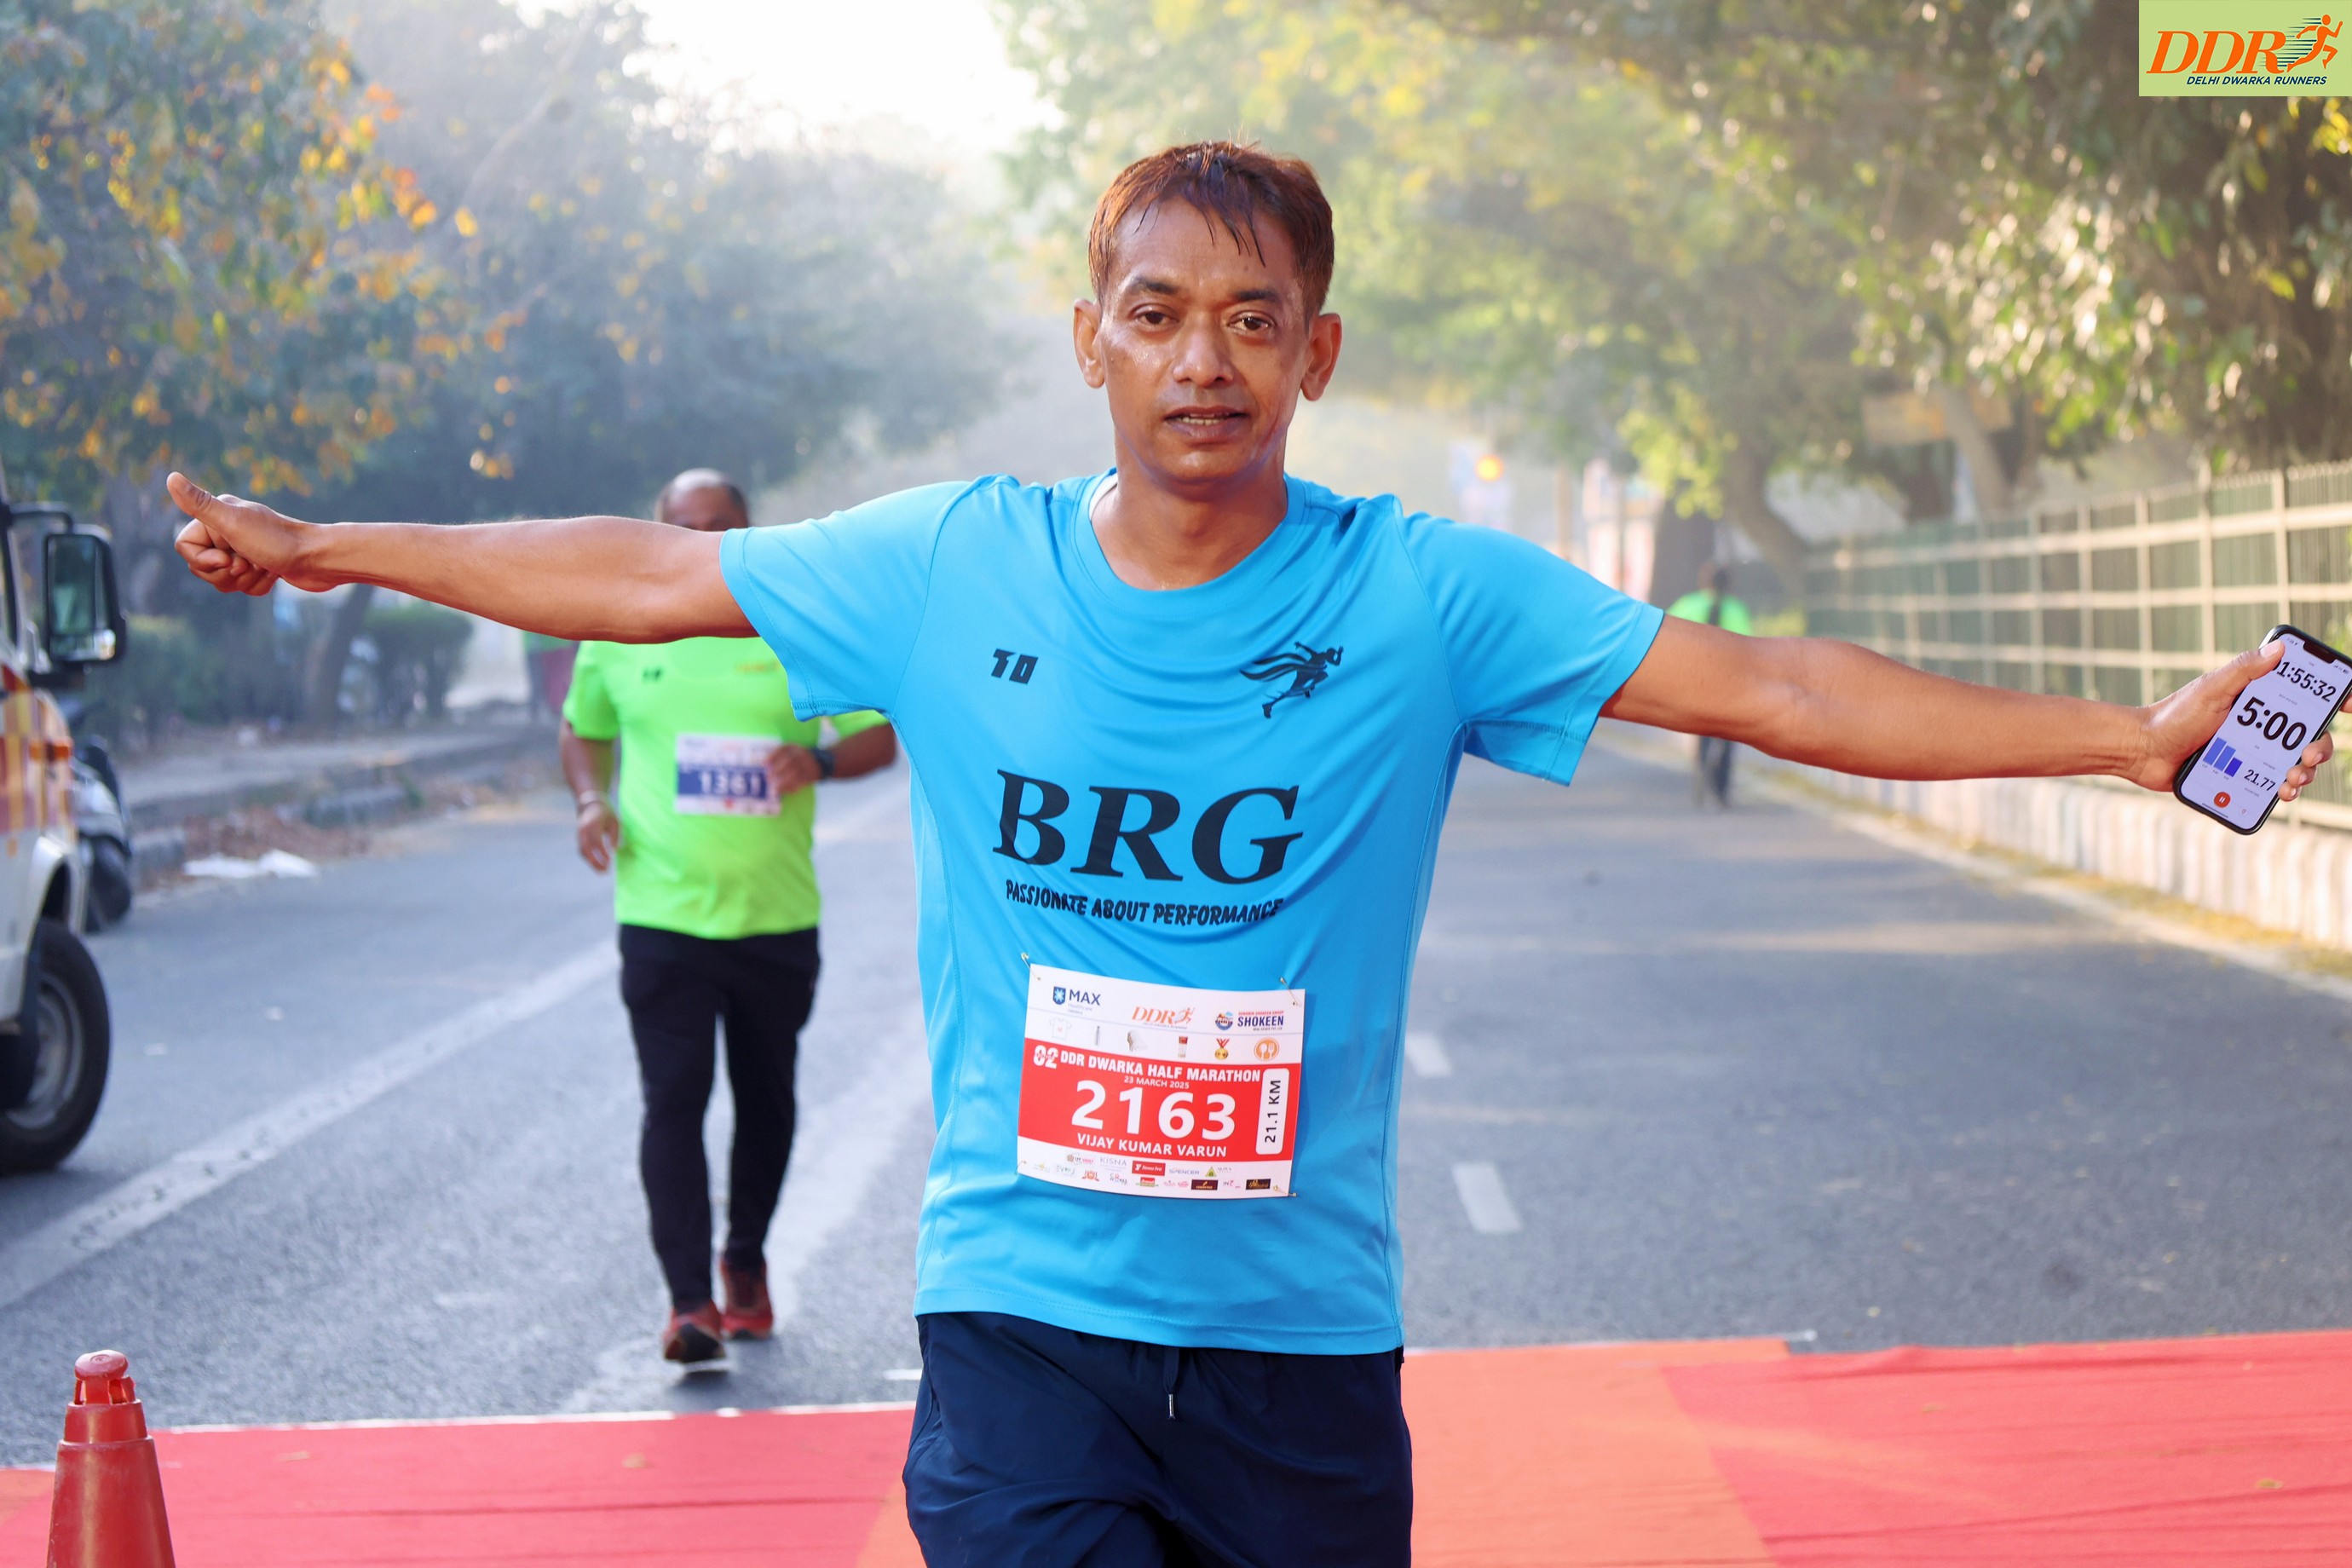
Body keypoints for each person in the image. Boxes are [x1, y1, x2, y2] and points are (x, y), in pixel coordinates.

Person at [166, 141, 2333, 1568]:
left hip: (1303, 1343)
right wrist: (329, 541)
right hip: (1022, 1321)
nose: (1201, 358)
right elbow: (647, 575)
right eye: (1154, 311)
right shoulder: (952, 560)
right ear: (1090, 338)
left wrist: (2124, 739)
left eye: (1250, 315)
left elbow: (1772, 685)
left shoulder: (1424, 595)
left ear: (1316, 348)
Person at [560, 468, 897, 1365]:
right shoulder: (620, 629)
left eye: (720, 526)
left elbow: (877, 736)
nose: (702, 541)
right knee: (672, 1100)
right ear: (659, 531)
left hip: (775, 918)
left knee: (766, 1099)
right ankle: (688, 1304)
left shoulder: (798, 628)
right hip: (661, 915)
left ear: (749, 531)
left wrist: (818, 763)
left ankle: (744, 1258)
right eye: (685, 526)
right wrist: (591, 801)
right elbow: (582, 728)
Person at [1665, 561, 1752, 806]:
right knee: (1728, 737)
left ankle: (1701, 771)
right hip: (1730, 686)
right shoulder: (1736, 610)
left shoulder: (1688, 605)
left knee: (1702, 734)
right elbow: (1749, 649)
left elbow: (1666, 634)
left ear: (1703, 582)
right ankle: (1721, 789)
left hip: (1697, 683)